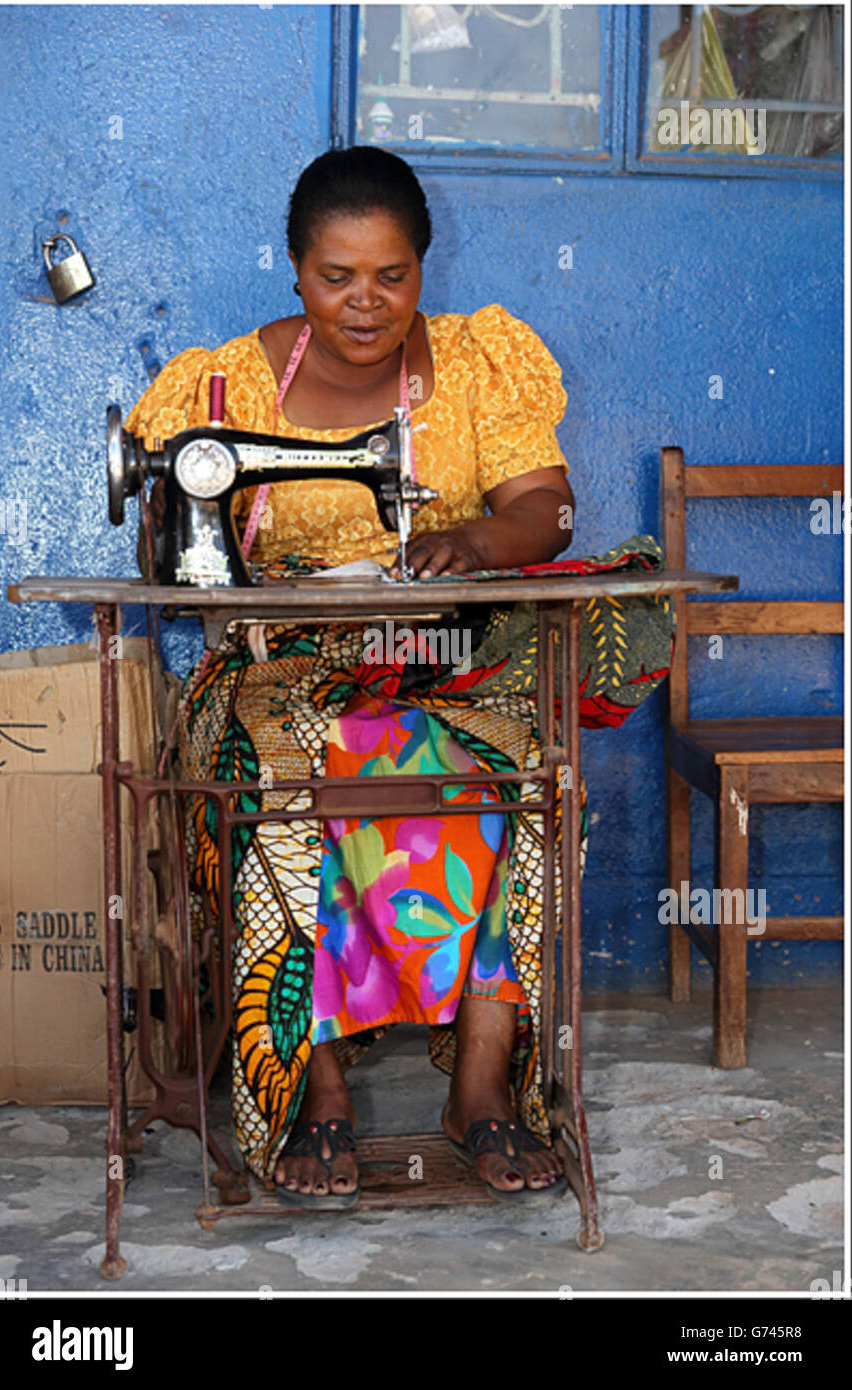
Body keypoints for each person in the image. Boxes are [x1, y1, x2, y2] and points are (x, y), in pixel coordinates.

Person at [127, 145, 587, 1208]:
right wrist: (185, 524)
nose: (365, 301)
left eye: (391, 275)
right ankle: (311, 1091)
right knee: (267, 778)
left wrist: (474, 541)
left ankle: (479, 1088)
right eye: (337, 276)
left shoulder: (477, 365)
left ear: (423, 268)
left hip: (440, 656)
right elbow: (168, 549)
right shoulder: (224, 385)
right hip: (269, 664)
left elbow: (550, 511)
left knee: (517, 776)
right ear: (295, 269)